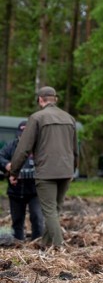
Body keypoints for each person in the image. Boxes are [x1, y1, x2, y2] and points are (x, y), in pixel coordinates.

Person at [9, 87, 78, 248]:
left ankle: (60, 247)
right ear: (56, 99)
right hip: (66, 171)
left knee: (49, 211)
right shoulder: (69, 118)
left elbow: (24, 148)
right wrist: (73, 169)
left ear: (40, 100)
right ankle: (44, 245)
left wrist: (14, 171)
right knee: (55, 210)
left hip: (46, 172)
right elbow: (75, 150)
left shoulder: (36, 118)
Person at [0, 121, 43, 241]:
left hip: (35, 190)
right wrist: (7, 165)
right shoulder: (11, 146)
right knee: (17, 219)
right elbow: (0, 156)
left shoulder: (39, 148)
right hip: (15, 190)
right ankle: (17, 243)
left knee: (37, 217)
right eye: (20, 134)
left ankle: (38, 242)